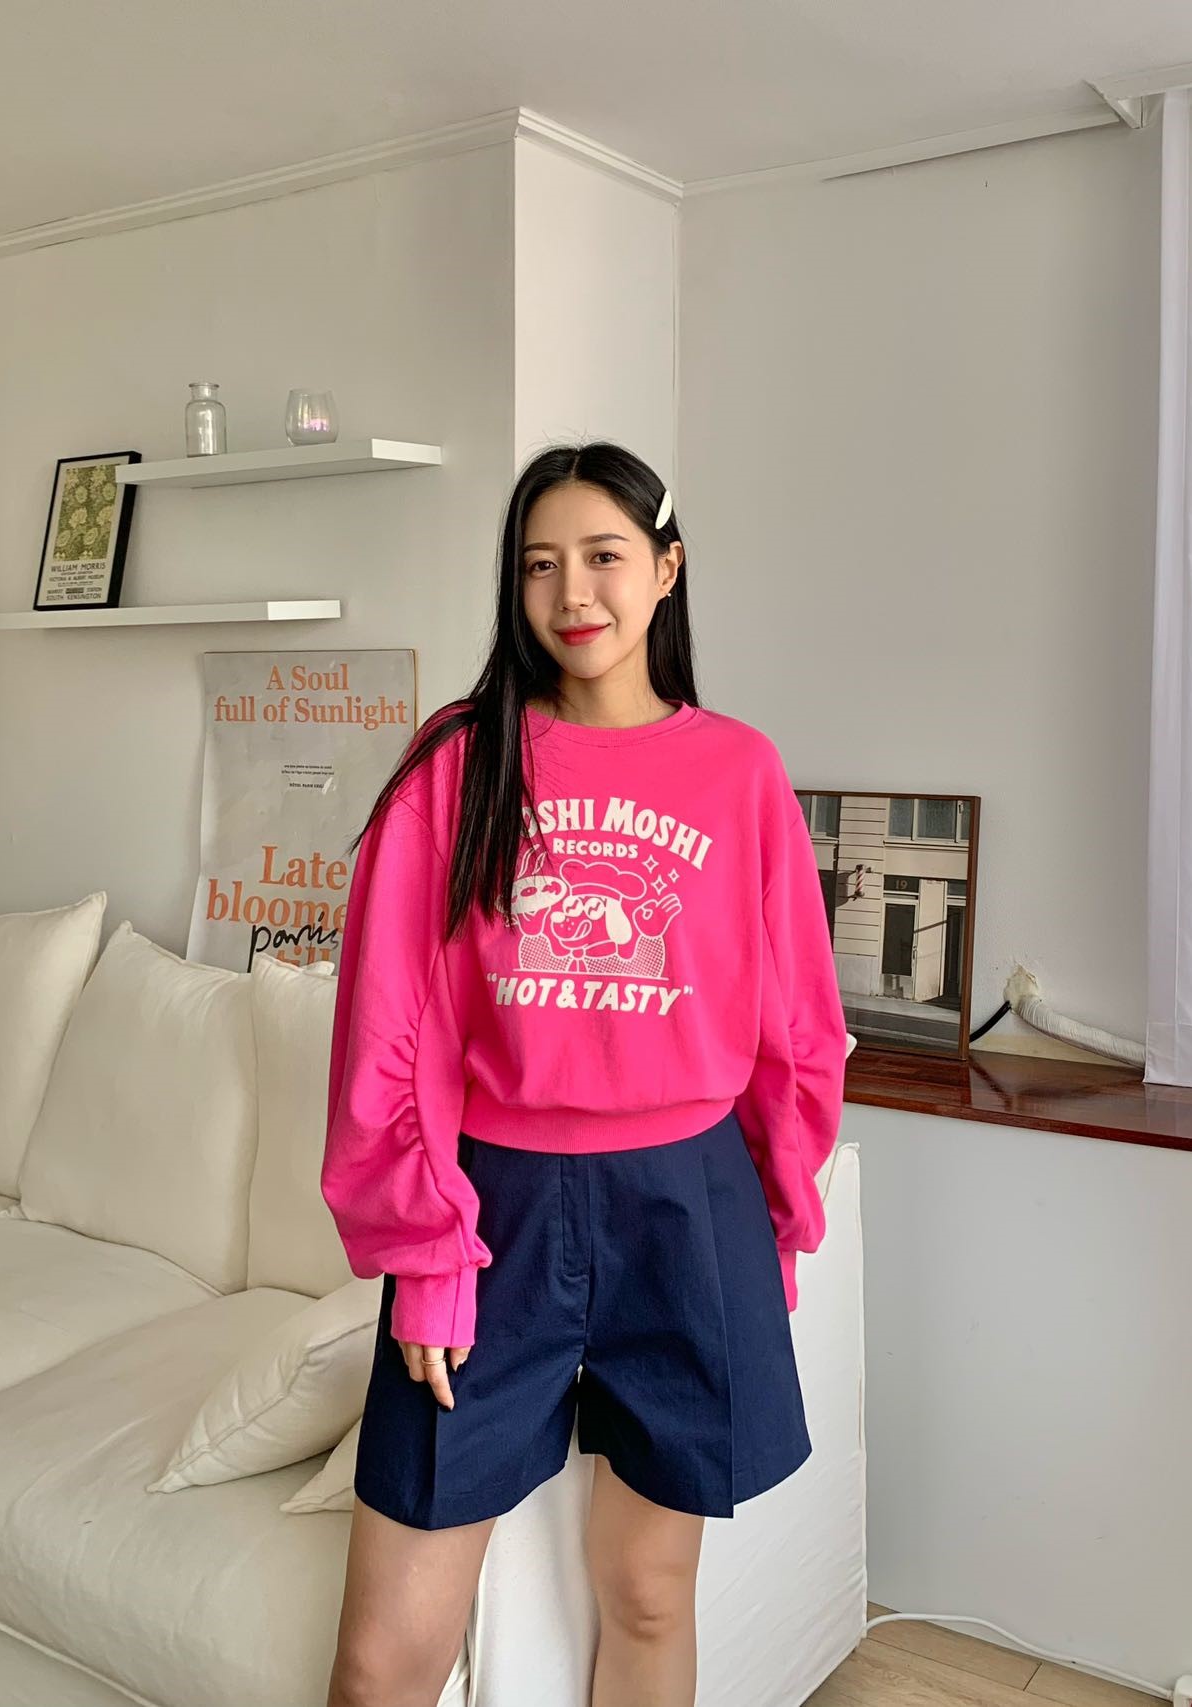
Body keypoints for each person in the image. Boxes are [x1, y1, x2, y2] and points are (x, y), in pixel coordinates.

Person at [319, 440, 849, 1707]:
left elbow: (793, 1025)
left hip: (688, 1206)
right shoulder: (459, 761)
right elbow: (389, 1029)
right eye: (538, 565)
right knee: (384, 1657)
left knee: (649, 1594)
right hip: (491, 1213)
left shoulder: (739, 771)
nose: (571, 594)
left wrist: (776, 1217)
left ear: (666, 569)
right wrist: (424, 1256)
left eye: (603, 557)